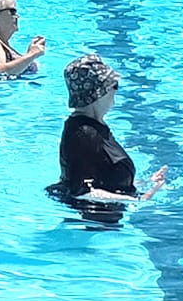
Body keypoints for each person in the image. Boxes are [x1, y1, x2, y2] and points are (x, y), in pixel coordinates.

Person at [52, 54, 167, 210]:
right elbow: (81, 192)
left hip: (100, 221)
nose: (115, 90)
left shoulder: (94, 126)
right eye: (114, 85)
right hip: (93, 223)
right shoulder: (84, 134)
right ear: (99, 93)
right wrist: (139, 199)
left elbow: (102, 177)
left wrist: (145, 184)